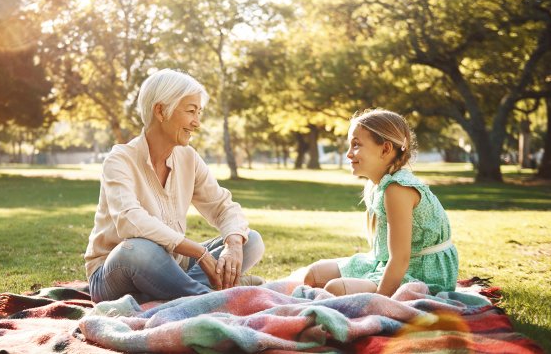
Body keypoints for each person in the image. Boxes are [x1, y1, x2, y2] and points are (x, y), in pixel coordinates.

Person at [84, 69, 265, 303]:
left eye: (199, 113)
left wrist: (233, 244)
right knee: (138, 250)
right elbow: (130, 220)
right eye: (191, 111)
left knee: (250, 240)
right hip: (115, 273)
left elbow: (222, 206)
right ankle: (215, 299)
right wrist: (198, 252)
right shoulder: (120, 160)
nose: (197, 123)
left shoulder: (188, 158)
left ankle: (174, 293)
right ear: (160, 111)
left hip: (173, 267)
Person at [299, 109, 458, 296]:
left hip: (421, 271)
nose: (349, 154)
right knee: (313, 275)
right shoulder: (378, 184)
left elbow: (400, 259)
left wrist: (380, 300)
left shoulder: (397, 189)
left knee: (334, 289)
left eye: (356, 145)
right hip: (384, 261)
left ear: (385, 149)